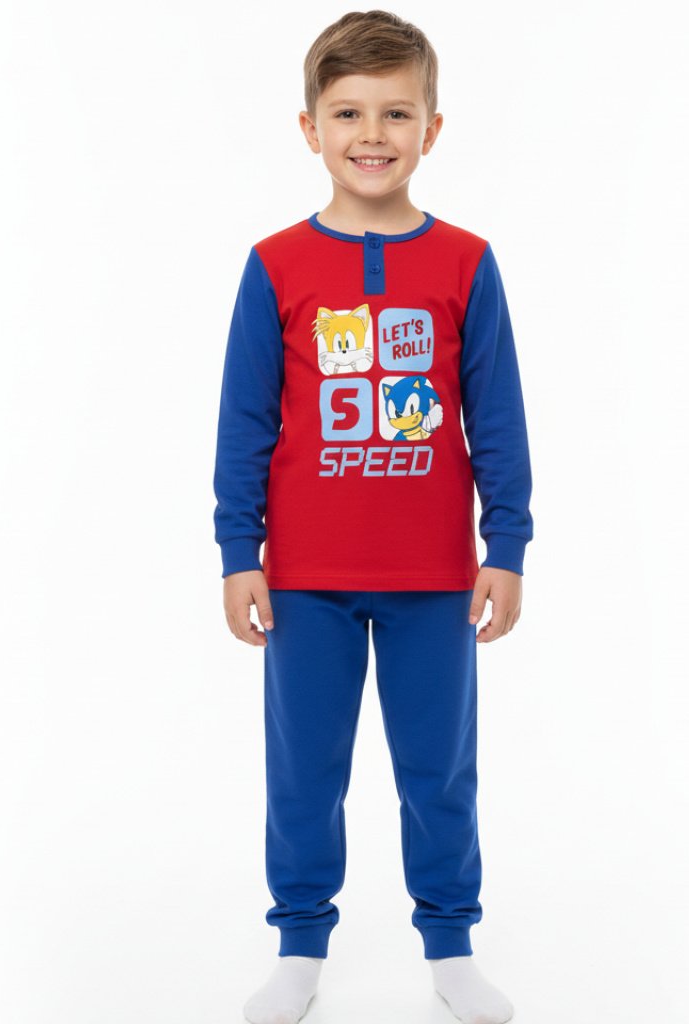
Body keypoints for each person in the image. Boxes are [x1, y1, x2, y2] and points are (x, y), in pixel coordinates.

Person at [212, 10, 534, 1024]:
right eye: (348, 112)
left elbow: (496, 415)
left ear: (431, 128)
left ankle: (451, 945)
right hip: (304, 576)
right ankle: (300, 946)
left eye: (397, 112)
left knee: (437, 772)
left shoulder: (467, 262)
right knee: (304, 773)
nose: (373, 133)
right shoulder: (274, 265)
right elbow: (246, 419)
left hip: (433, 575)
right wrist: (238, 549)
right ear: (310, 127)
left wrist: (507, 544)